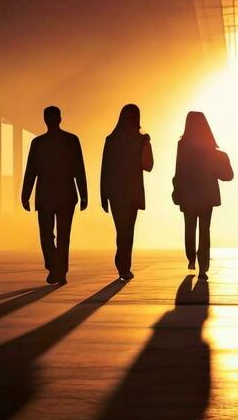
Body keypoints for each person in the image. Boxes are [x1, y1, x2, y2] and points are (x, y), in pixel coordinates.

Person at [22, 105, 88, 284]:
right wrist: (83, 194)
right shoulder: (72, 140)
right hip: (67, 194)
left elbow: (31, 171)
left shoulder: (38, 143)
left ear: (45, 120)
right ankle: (61, 270)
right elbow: (79, 169)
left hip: (45, 196)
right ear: (60, 119)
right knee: (64, 234)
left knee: (46, 234)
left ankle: (54, 267)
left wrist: (25, 194)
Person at [172, 111, 232, 275]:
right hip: (207, 195)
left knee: (189, 227)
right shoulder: (210, 147)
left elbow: (179, 170)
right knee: (205, 230)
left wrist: (177, 190)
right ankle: (203, 266)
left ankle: (191, 258)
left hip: (189, 194)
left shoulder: (182, 145)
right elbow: (224, 174)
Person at [99, 103, 153, 280]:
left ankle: (122, 264)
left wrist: (103, 195)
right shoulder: (141, 140)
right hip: (133, 192)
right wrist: (146, 144)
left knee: (121, 230)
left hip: (115, 193)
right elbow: (149, 166)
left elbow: (105, 169)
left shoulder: (111, 140)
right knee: (128, 231)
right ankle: (124, 266)